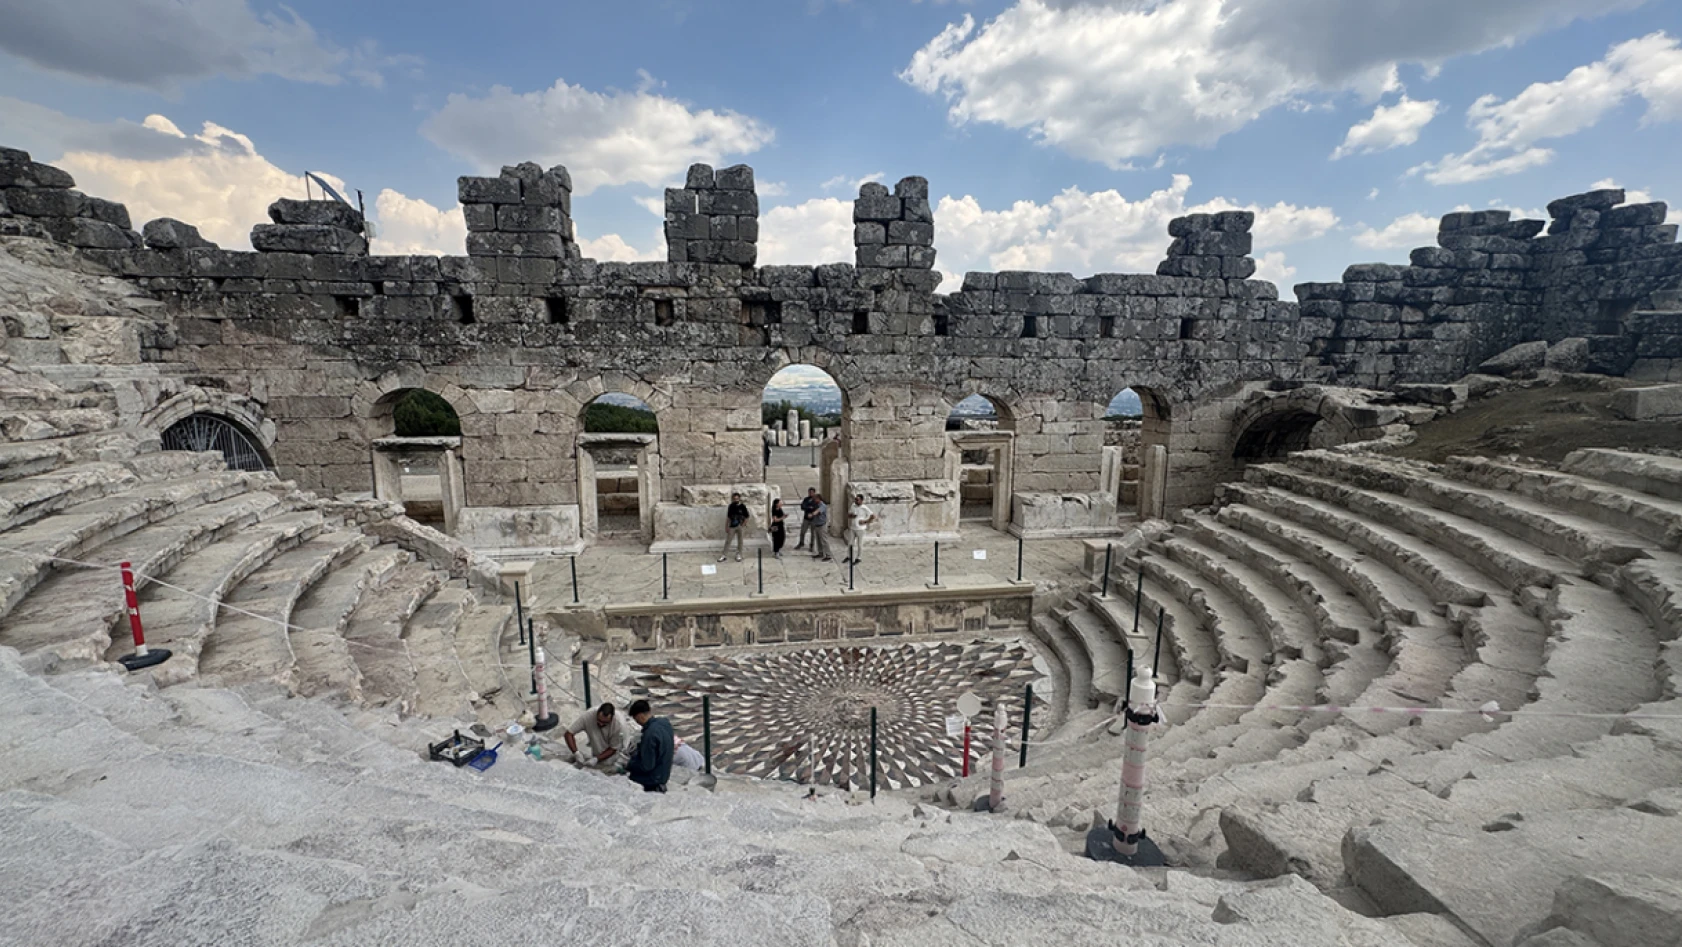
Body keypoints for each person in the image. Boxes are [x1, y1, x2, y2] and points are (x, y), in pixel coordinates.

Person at [626, 699, 674, 793]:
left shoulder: (649, 734)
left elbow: (647, 766)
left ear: (640, 716)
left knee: (626, 779)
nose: (637, 723)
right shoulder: (665, 723)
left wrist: (629, 764)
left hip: (654, 778)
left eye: (636, 719)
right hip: (664, 772)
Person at [563, 703, 628, 768]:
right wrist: (576, 753)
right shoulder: (588, 716)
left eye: (605, 722)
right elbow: (568, 734)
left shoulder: (618, 724)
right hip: (598, 746)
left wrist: (596, 759)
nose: (601, 724)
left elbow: (613, 748)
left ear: (612, 718)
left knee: (609, 764)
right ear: (596, 714)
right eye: (599, 720)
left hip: (616, 750)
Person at [844, 492, 877, 565]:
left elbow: (873, 516)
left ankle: (858, 557)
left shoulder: (864, 508)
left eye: (857, 500)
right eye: (855, 499)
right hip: (853, 527)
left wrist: (865, 521)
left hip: (860, 529)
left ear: (861, 501)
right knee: (850, 543)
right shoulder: (853, 505)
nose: (856, 501)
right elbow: (849, 515)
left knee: (859, 544)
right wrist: (851, 516)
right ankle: (848, 556)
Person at [719, 492, 748, 562]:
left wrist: (743, 525)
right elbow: (728, 517)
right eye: (734, 499)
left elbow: (747, 516)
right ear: (733, 499)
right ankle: (724, 555)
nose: (736, 500)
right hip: (732, 525)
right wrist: (726, 526)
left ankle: (739, 554)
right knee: (728, 541)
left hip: (740, 525)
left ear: (739, 498)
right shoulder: (731, 506)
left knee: (740, 541)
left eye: (737, 498)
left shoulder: (742, 506)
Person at [808, 493, 833, 562]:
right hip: (816, 524)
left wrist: (812, 514)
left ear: (819, 499)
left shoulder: (822, 505)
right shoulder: (815, 505)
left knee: (824, 540)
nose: (814, 500)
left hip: (822, 525)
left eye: (815, 499)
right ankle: (820, 552)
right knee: (818, 540)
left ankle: (828, 555)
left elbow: (818, 511)